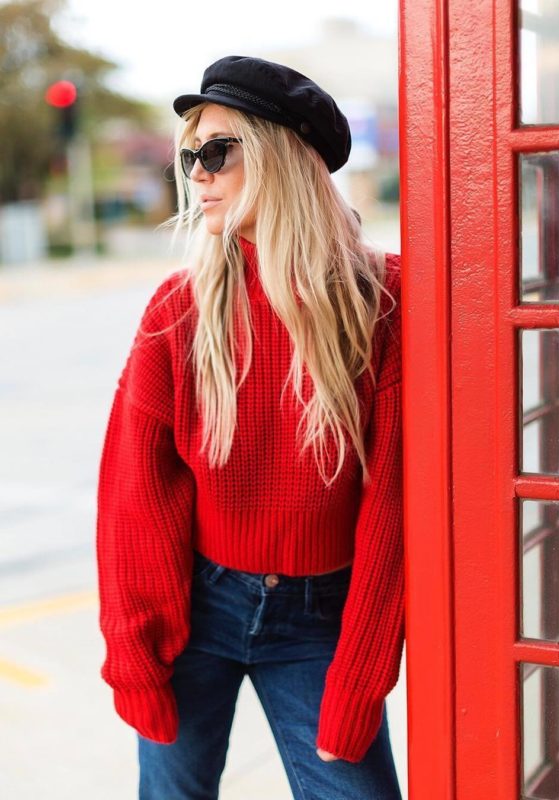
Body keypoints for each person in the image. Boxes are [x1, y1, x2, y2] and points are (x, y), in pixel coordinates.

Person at [96, 54, 404, 800]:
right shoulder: (179, 309)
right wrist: (134, 655)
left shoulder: (383, 301)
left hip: (320, 620)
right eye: (189, 155)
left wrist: (361, 680)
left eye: (218, 151)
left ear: (282, 159)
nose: (197, 174)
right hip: (197, 607)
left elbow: (393, 504)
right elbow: (135, 497)